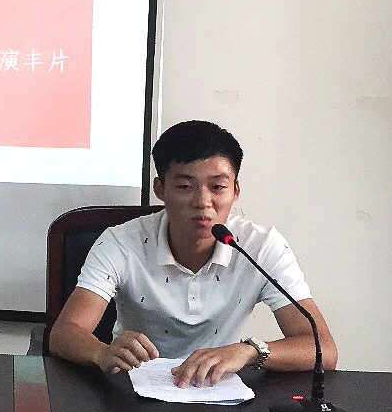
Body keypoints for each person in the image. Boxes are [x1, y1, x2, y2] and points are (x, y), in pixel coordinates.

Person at [50, 120, 337, 387]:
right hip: (133, 388)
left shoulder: (261, 246)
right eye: (185, 187)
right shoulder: (121, 242)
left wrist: (250, 351)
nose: (203, 202)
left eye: (218, 187)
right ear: (160, 188)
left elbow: (323, 349)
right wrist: (102, 353)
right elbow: (64, 333)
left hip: (216, 388)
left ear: (235, 190)